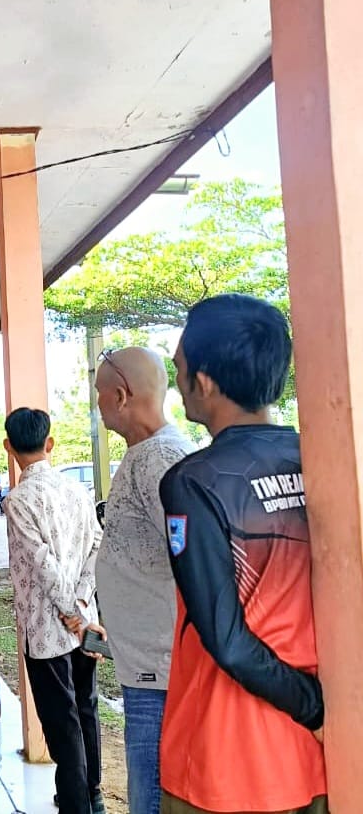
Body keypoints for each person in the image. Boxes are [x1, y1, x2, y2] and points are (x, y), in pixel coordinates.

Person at [160, 294, 326, 814]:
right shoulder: (321, 460)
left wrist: (315, 708)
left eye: (179, 368)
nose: (177, 381)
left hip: (225, 755)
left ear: (204, 381)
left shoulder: (193, 482)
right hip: (314, 755)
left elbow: (227, 640)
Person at [93, 348, 195, 814]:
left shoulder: (160, 459)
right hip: (149, 664)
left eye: (99, 394)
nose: (97, 404)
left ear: (120, 396)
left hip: (162, 670)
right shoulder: (146, 456)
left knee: (152, 796)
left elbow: (193, 559)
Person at [2, 407, 104, 814]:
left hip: (47, 631)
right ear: (50, 443)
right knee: (86, 708)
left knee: (63, 722)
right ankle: (93, 796)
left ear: (8, 447)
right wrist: (81, 606)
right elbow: (97, 546)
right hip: (84, 624)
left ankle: (76, 805)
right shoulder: (77, 490)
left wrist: (68, 611)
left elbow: (43, 565)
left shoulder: (18, 500)